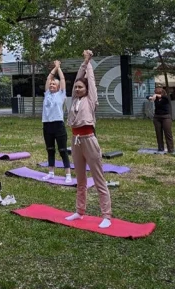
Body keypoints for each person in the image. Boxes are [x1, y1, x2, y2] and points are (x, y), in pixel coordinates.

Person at [66, 50, 112, 229]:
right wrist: (81, 66)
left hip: (89, 140)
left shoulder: (90, 99)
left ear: (86, 90)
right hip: (75, 140)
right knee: (80, 178)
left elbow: (90, 81)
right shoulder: (74, 100)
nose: (78, 89)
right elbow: (78, 78)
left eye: (80, 87)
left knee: (98, 177)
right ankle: (79, 211)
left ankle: (106, 215)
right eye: (76, 87)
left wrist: (88, 63)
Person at [42, 60, 71, 183]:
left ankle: (68, 174)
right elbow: (49, 77)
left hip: (58, 124)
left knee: (63, 150)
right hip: (47, 124)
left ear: (58, 87)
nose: (52, 85)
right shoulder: (47, 93)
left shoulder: (61, 94)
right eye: (51, 84)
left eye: (54, 84)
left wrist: (58, 68)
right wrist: (54, 68)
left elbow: (63, 79)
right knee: (50, 149)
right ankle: (51, 172)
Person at [148, 87, 174, 153]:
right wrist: (151, 97)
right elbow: (147, 96)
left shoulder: (166, 98)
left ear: (161, 93)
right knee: (158, 133)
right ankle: (160, 148)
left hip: (166, 117)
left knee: (168, 133)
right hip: (157, 117)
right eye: (155, 93)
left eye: (158, 93)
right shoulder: (156, 99)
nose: (156, 94)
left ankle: (170, 149)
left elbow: (166, 98)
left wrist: (156, 95)